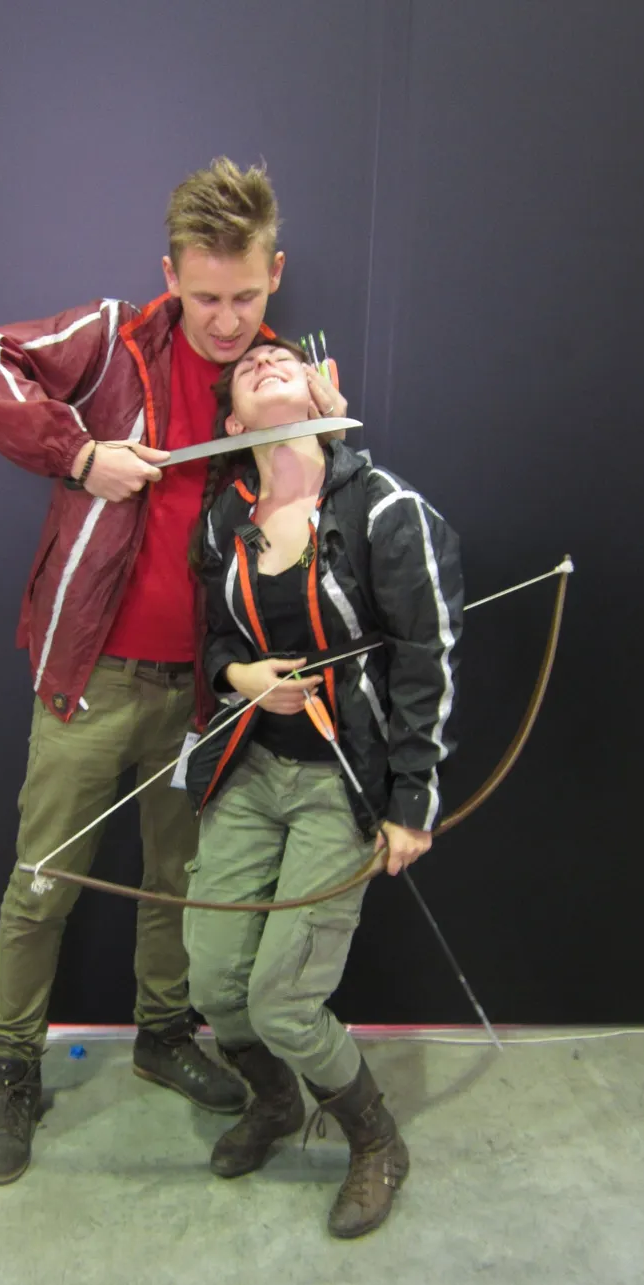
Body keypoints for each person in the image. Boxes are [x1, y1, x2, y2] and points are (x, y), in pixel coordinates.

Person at [0, 160, 349, 1186]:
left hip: (210, 689)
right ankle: (13, 1065)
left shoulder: (280, 376)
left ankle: (165, 1034)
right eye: (205, 297)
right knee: (44, 879)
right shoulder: (115, 338)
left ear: (275, 273)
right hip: (94, 676)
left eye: (244, 296)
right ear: (170, 276)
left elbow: (324, 521)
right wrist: (79, 455)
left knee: (180, 885)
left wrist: (323, 431)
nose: (226, 320)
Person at [183, 336, 463, 1238]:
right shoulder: (222, 521)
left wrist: (411, 802)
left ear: (320, 390)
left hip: (340, 785)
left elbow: (427, 662)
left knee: (283, 1000)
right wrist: (242, 678)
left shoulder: (387, 511)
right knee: (214, 981)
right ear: (233, 421)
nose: (265, 361)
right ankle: (273, 1102)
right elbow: (214, 642)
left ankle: (375, 1140)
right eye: (247, 369)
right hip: (248, 770)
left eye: (281, 359)